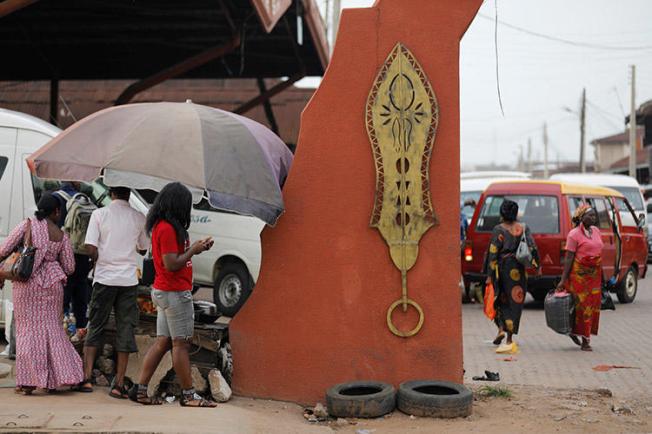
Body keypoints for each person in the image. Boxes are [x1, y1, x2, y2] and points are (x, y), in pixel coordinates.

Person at [129, 182, 215, 407]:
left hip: (165, 291)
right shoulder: (167, 228)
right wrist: (193, 250)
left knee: (163, 342)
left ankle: (140, 390)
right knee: (181, 345)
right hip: (174, 292)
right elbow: (171, 264)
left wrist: (197, 248)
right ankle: (188, 394)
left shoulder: (162, 226)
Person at [0, 193, 83, 393]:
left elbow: (4, 249)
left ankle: (28, 382)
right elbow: (70, 267)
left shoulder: (27, 225)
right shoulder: (61, 235)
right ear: (56, 211)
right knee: (52, 331)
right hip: (53, 286)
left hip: (27, 283)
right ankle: (56, 379)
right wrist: (51, 262)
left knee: (28, 331)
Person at [78, 186, 149, 398]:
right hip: (127, 280)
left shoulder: (100, 214)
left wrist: (98, 257)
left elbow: (90, 247)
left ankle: (87, 378)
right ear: (129, 195)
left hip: (104, 278)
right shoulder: (139, 217)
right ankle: (118, 384)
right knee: (125, 329)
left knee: (96, 325)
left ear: (111, 193)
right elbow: (143, 249)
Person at [483, 199, 540, 354]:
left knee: (499, 300)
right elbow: (533, 248)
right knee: (515, 304)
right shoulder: (523, 228)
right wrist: (537, 266)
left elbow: (492, 253)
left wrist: (489, 275)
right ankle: (508, 338)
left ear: (502, 212)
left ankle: (500, 328)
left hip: (501, 270)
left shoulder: (498, 229)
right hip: (519, 271)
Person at [556, 204, 604, 352]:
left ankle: (577, 332)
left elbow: (599, 252)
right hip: (579, 277)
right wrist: (563, 280)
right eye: (589, 215)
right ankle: (585, 340)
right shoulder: (573, 234)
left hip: (594, 276)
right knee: (583, 307)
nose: (593, 218)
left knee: (594, 305)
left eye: (594, 215)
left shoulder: (596, 231)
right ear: (581, 217)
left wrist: (603, 274)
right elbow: (569, 258)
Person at [54, 182, 92, 339]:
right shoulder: (86, 201)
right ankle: (79, 336)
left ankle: (59, 337)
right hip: (82, 257)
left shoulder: (55, 199)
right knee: (80, 300)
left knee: (62, 299)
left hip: (63, 258)